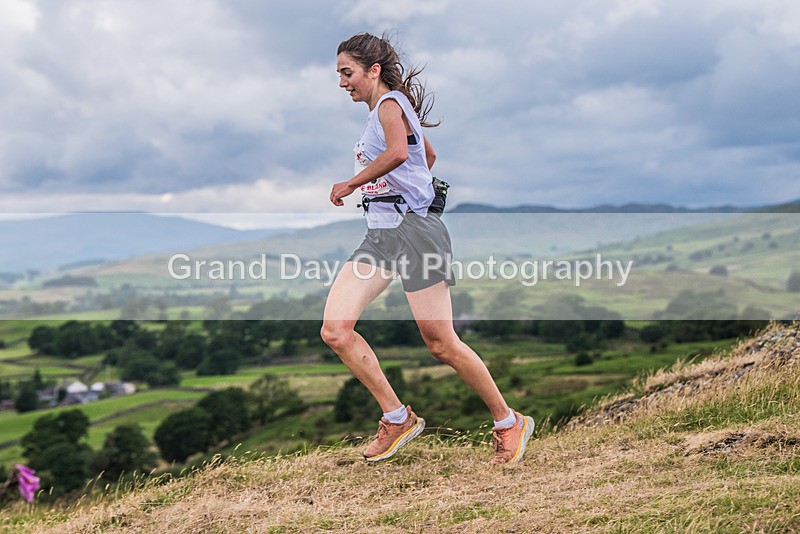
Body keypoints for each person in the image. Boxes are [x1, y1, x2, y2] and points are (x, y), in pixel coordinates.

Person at [321, 32, 534, 466]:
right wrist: (401, 187)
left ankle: (509, 421)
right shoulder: (385, 112)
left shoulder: (390, 105)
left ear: (373, 70)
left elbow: (401, 153)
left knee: (441, 343)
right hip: (381, 236)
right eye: (339, 74)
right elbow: (426, 156)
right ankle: (397, 417)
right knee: (335, 330)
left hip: (416, 233)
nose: (342, 82)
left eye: (347, 73)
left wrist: (353, 183)